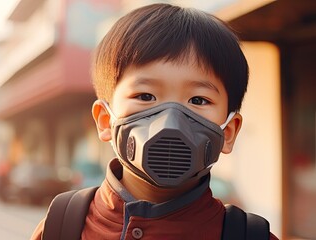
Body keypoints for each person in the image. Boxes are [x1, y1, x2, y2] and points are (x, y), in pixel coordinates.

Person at [31, 3, 278, 239]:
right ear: (105, 121)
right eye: (145, 96)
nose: (170, 121)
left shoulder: (249, 236)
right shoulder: (61, 227)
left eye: (198, 100)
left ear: (229, 131)